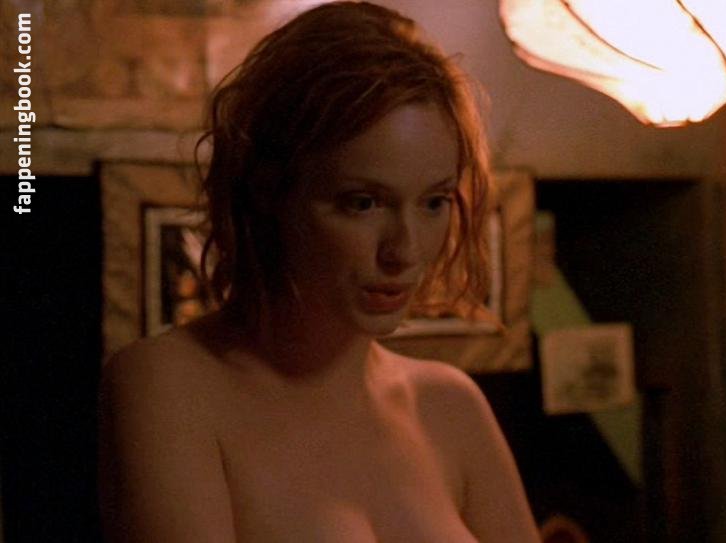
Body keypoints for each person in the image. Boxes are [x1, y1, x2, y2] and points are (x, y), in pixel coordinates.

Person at [98, 2, 540, 542]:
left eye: (434, 202)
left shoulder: (448, 406)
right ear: (269, 190)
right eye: (363, 203)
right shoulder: (170, 386)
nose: (404, 251)